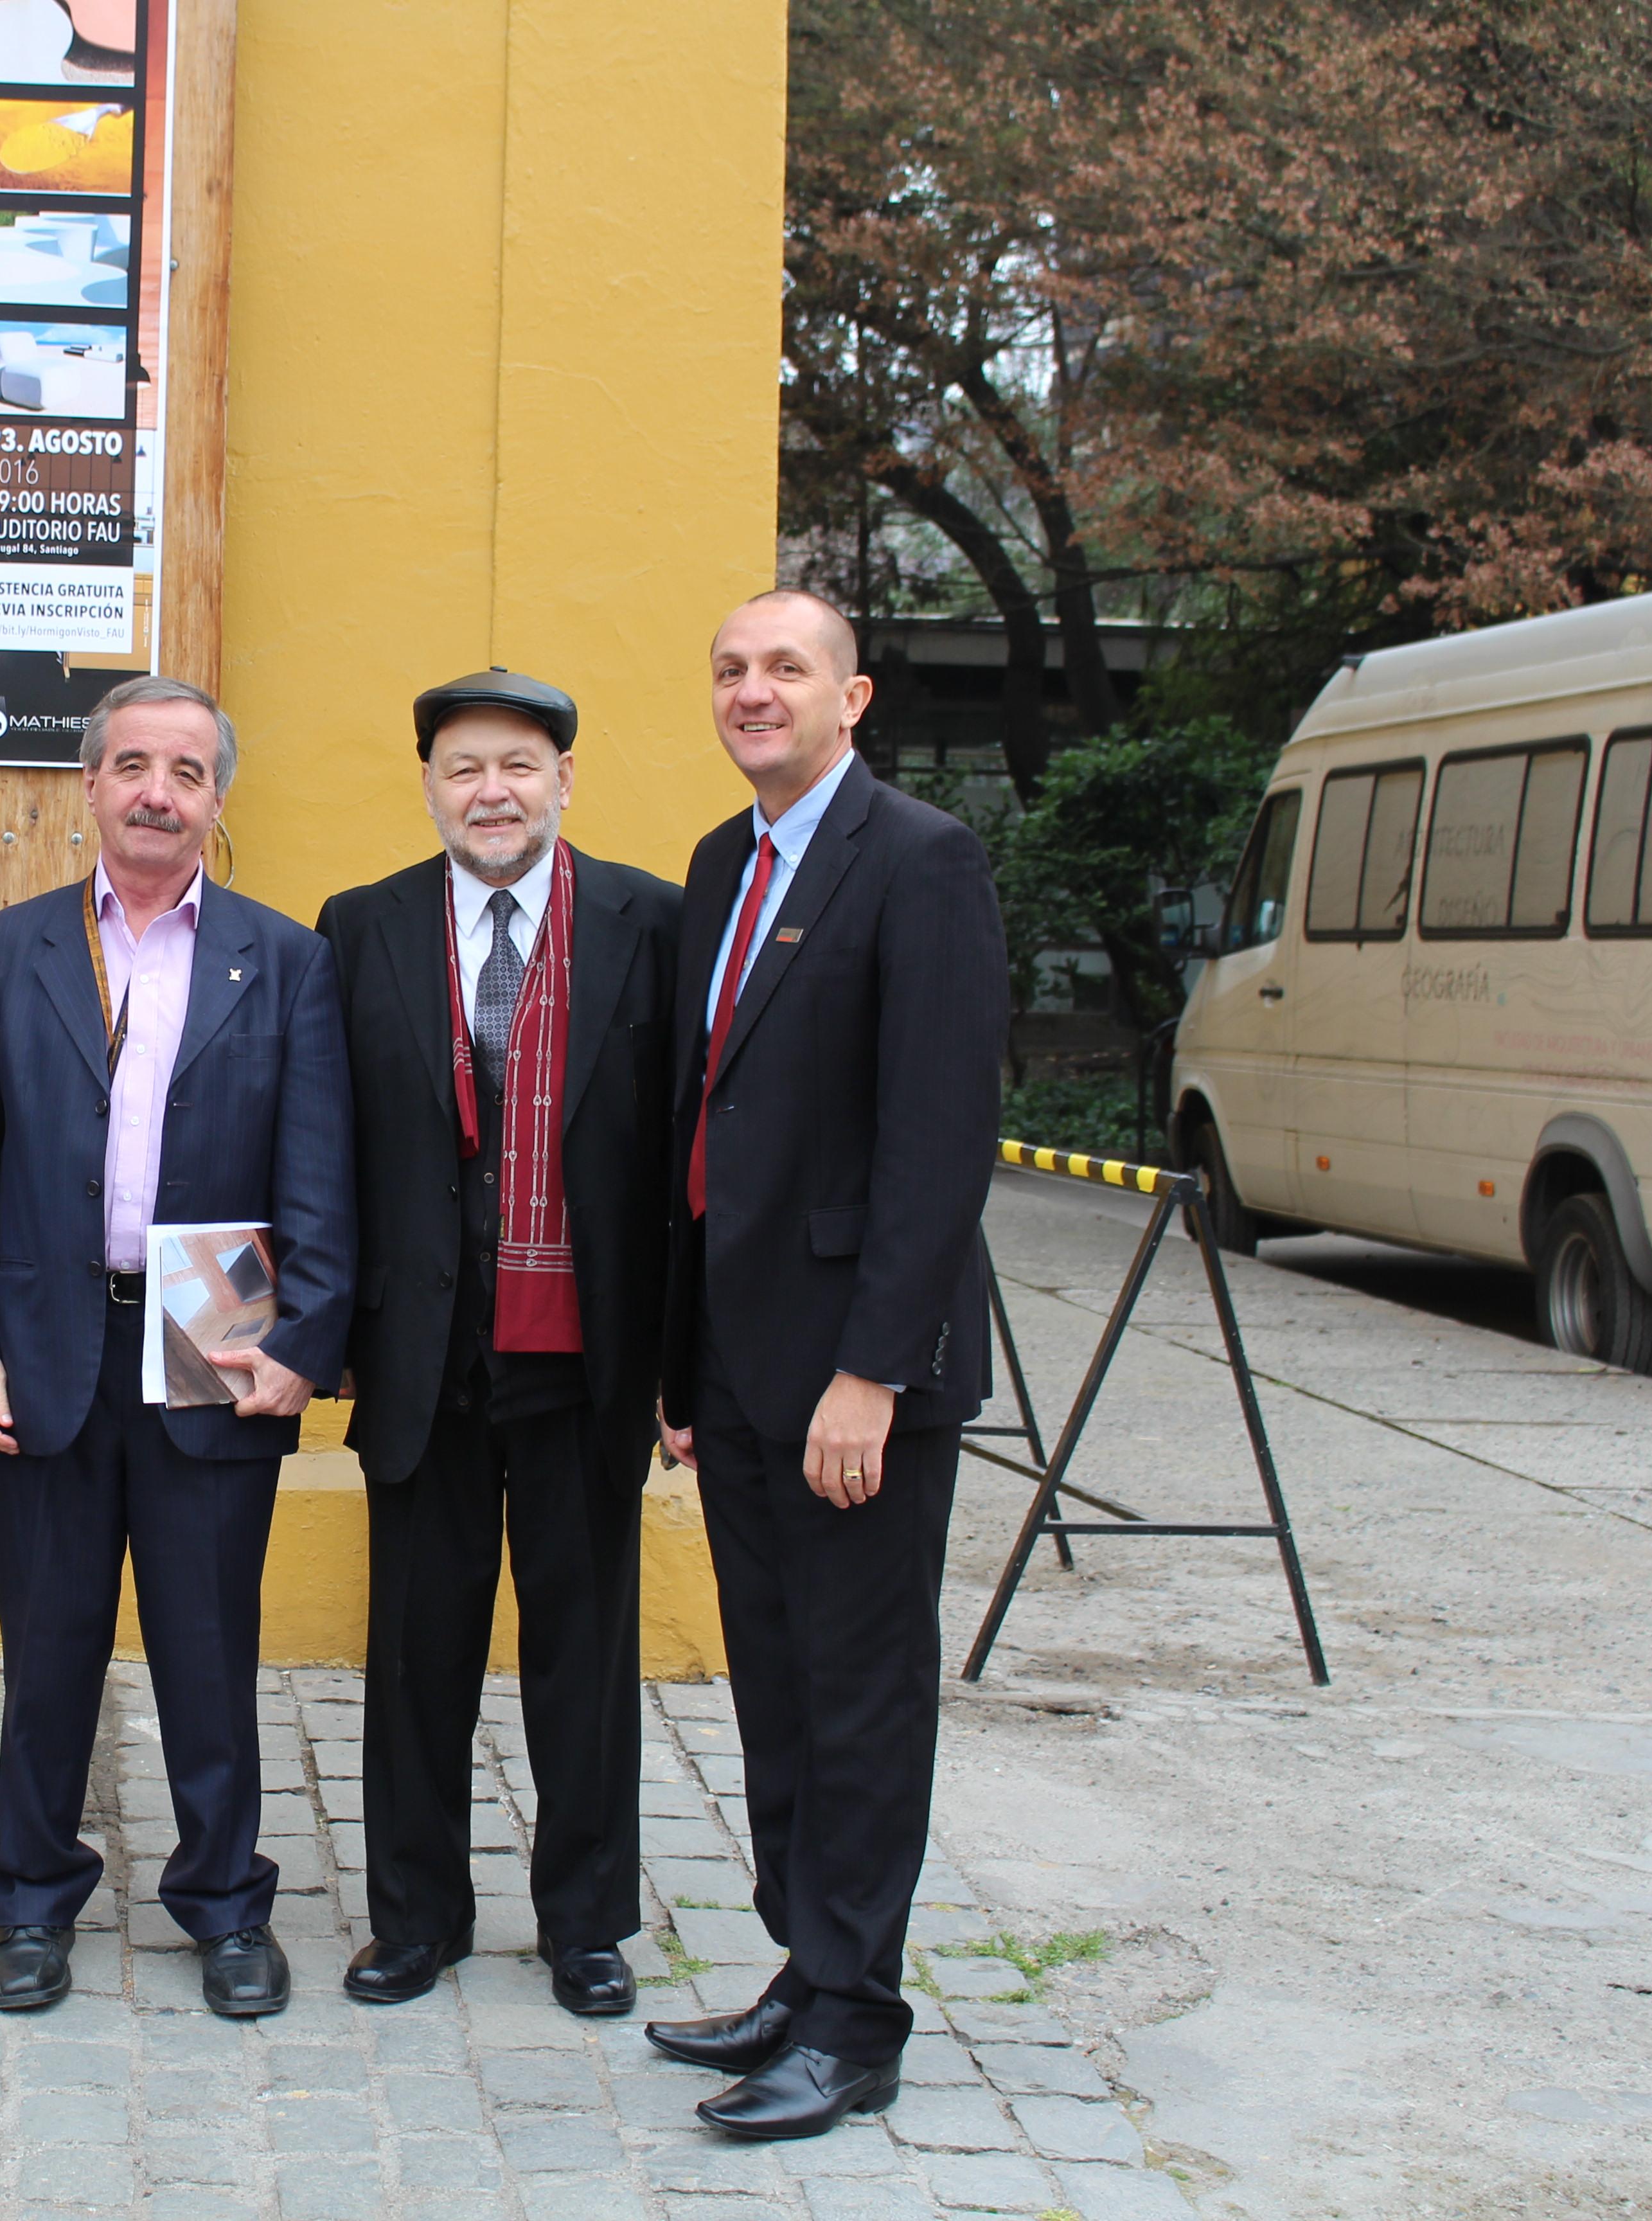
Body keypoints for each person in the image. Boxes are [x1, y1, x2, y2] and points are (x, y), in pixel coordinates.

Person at [0, 674, 355, 2019]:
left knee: (207, 1649)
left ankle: (226, 1905)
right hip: (53, 1336)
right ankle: (35, 1899)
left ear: (216, 797)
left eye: (184, 770)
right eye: (131, 766)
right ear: (91, 786)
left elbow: (323, 1172)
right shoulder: (11, 949)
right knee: (47, 1651)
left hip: (213, 1337)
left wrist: (303, 1338)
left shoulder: (284, 958)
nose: (156, 791)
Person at [642, 590, 1006, 2137]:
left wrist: (877, 1371)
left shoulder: (919, 863)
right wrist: (680, 1360)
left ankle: (858, 2020)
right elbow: (700, 1130)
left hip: (853, 1378)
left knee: (860, 1699)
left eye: (786, 668)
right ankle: (808, 1963)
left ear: (851, 700)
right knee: (778, 1691)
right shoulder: (724, 863)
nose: (751, 690)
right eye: (729, 668)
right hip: (734, 1367)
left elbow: (938, 1143)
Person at [312, 669, 681, 2017]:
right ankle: (416, 1919)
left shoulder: (652, 924)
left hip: (584, 1356)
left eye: (519, 766)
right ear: (428, 785)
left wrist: (677, 1367)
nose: (493, 792)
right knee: (419, 1657)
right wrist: (321, 1326)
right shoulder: (361, 928)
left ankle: (586, 1923)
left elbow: (674, 1164)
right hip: (420, 1356)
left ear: (565, 782)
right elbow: (326, 1145)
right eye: (465, 767)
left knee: (583, 1658)